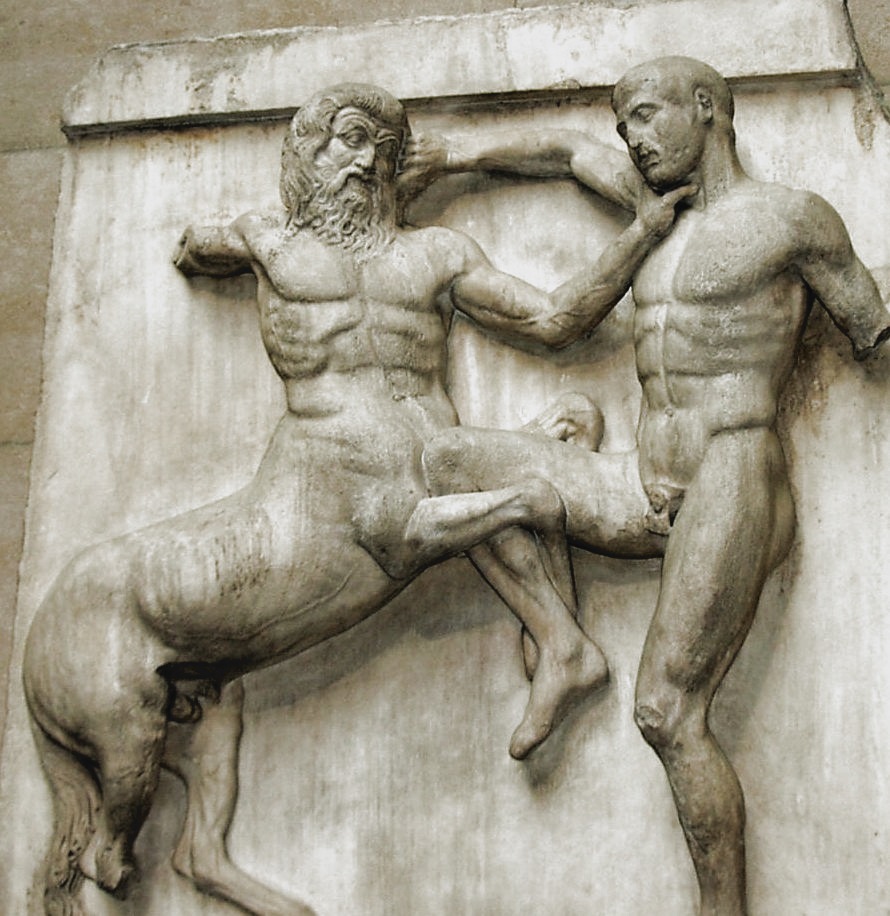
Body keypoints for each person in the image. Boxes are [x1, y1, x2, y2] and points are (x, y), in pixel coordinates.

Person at [22, 83, 690, 915]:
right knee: (511, 489)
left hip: (417, 462)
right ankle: (110, 852)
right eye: (346, 140)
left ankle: (559, 643)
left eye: (383, 147)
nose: (365, 160)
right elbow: (194, 245)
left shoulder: (437, 255)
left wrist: (641, 233)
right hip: (327, 471)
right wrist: (223, 241)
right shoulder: (271, 241)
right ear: (306, 156)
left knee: (525, 438)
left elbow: (555, 320)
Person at [408, 57, 890, 915]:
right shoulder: (648, 208)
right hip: (642, 477)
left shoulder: (790, 218)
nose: (631, 137)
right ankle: (561, 641)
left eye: (644, 114)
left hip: (731, 472)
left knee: (667, 710)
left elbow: (874, 328)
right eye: (623, 122)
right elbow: (565, 151)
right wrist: (453, 156)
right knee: (453, 462)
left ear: (705, 108)